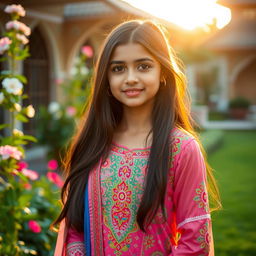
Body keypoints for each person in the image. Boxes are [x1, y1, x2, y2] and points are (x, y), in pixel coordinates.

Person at [53, 19, 221, 256]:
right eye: (118, 68)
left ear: (162, 72)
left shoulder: (181, 148)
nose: (130, 78)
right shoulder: (94, 141)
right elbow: (76, 226)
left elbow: (196, 241)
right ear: (106, 78)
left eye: (143, 66)